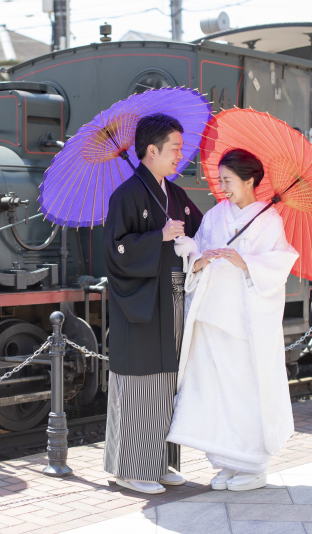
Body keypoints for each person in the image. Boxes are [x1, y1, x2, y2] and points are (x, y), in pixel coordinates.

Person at [166, 148, 299, 492]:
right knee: (214, 391)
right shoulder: (215, 216)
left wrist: (245, 263)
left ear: (249, 180)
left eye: (228, 180)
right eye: (221, 180)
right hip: (213, 314)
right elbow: (199, 249)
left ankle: (253, 465)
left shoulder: (270, 220)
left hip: (244, 321)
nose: (222, 187)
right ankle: (225, 461)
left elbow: (280, 264)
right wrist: (197, 260)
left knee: (244, 392)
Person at [102, 113, 203, 495]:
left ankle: (161, 462)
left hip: (172, 300)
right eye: (174, 149)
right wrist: (158, 236)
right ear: (151, 150)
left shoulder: (174, 194)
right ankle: (129, 467)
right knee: (138, 384)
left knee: (168, 383)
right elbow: (115, 251)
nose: (180, 155)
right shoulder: (126, 195)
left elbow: (199, 228)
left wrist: (200, 251)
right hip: (139, 305)